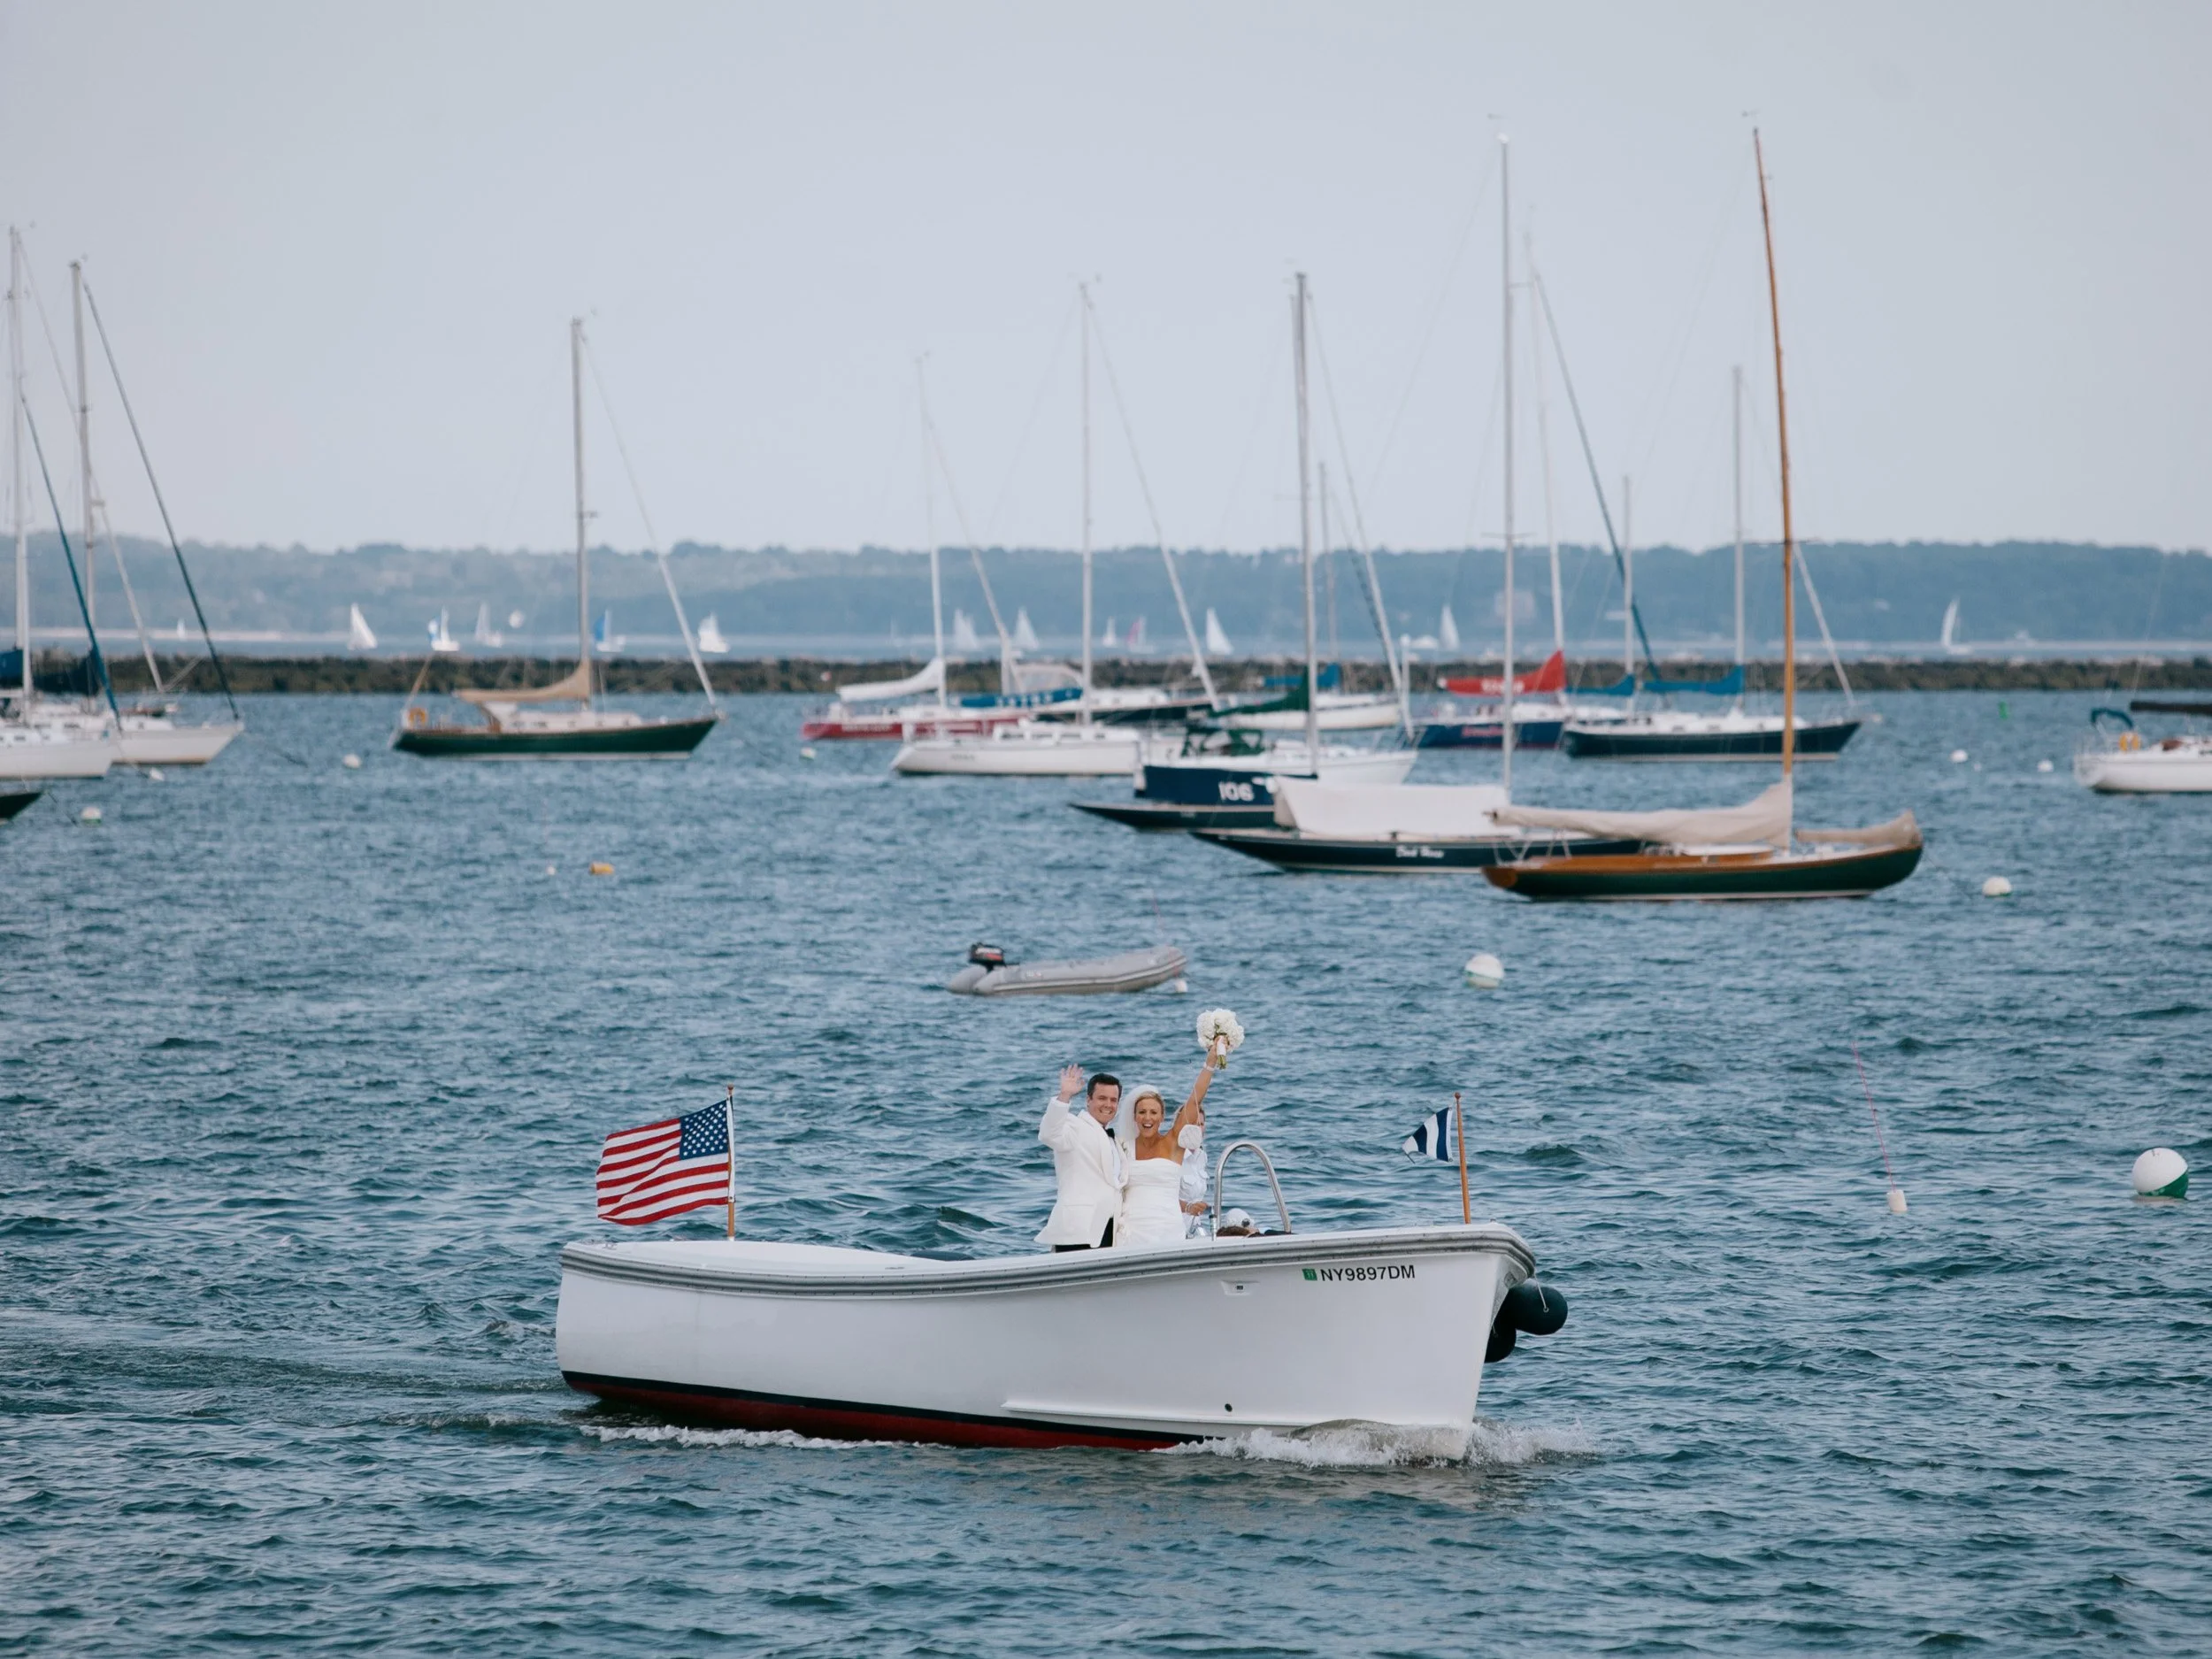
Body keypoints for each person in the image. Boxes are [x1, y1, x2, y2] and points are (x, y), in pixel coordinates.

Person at [1110, 1036, 1224, 1248]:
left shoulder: (1173, 1143)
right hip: (1132, 1231)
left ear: (1162, 1117)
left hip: (1168, 1230)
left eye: (1153, 1112)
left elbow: (1195, 1099)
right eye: (1142, 1112)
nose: (1147, 1118)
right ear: (1135, 1117)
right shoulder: (1123, 1147)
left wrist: (1210, 1064)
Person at [1037, 1065, 1124, 1251]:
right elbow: (1049, 1134)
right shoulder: (1073, 1126)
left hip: (1109, 1230)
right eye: (1102, 1098)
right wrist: (1064, 1096)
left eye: (1113, 1100)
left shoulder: (1115, 1140)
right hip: (1077, 1228)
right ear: (1088, 1100)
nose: (1108, 1104)